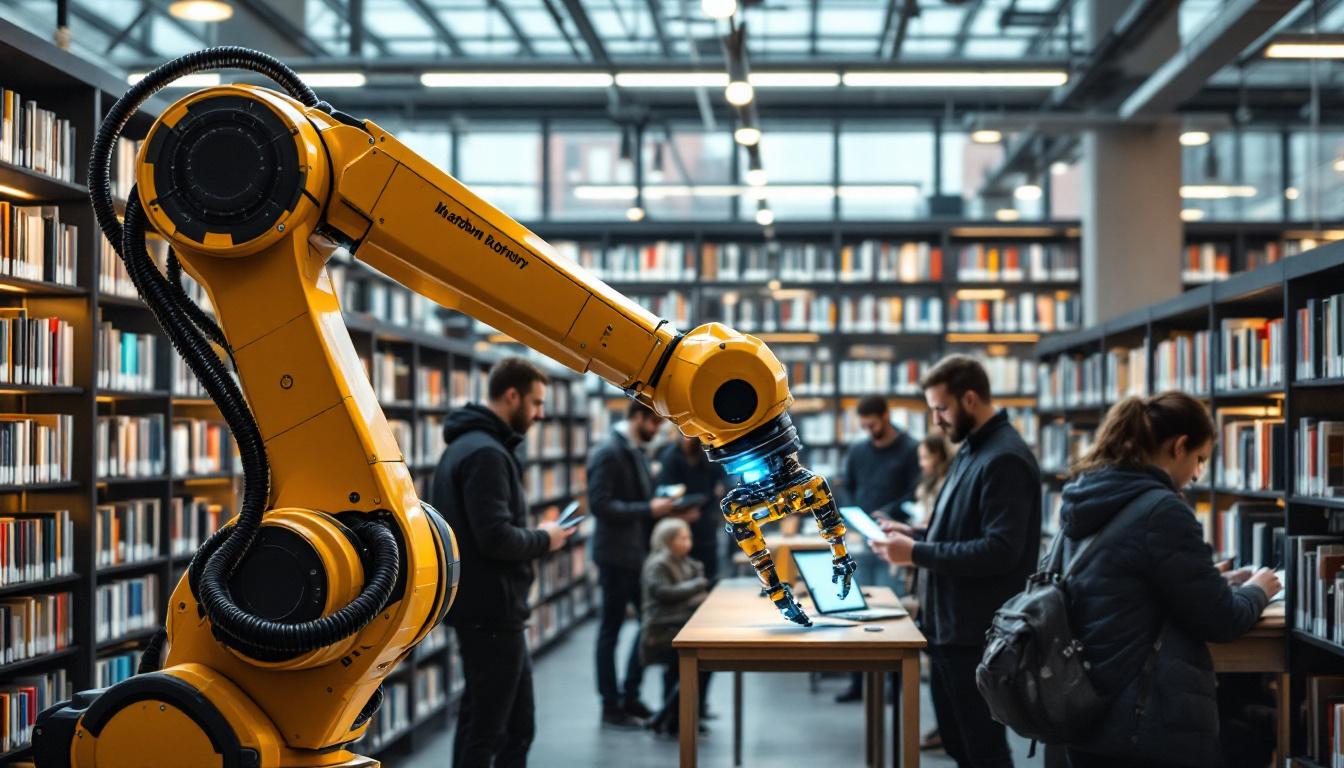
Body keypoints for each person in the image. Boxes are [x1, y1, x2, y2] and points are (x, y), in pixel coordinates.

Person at [1050, 393, 1280, 768]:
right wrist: (1259, 589)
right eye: (1199, 460)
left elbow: (1121, 581)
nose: (1195, 475)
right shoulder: (1161, 509)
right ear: (1179, 447)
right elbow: (1222, 619)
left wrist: (1208, 576)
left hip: (1085, 703)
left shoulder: (1086, 497)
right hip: (1142, 717)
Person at [870, 354, 1041, 768]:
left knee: (982, 749)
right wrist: (914, 534)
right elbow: (963, 531)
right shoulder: (971, 450)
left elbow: (1000, 550)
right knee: (958, 743)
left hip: (976, 632)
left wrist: (916, 553)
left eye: (941, 409)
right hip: (949, 627)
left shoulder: (1005, 458)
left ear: (969, 399)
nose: (937, 421)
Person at [434, 357, 575, 768]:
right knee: (491, 730)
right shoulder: (486, 455)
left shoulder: (465, 446)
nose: (541, 414)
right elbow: (495, 537)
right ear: (511, 395)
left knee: (504, 724)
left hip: (486, 607)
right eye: (535, 403)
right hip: (492, 610)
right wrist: (546, 538)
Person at [589, 399, 677, 729]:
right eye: (653, 423)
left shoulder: (634, 449)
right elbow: (600, 505)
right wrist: (648, 510)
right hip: (615, 557)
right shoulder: (609, 452)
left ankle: (629, 696)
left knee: (646, 625)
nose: (656, 431)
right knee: (610, 631)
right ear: (638, 417)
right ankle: (611, 704)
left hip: (635, 554)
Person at [835, 394, 923, 703]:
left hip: (892, 540)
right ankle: (858, 684)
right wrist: (851, 514)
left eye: (872, 423)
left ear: (885, 416)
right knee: (855, 608)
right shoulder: (859, 450)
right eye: (864, 425)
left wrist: (888, 513)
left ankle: (894, 687)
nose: (868, 430)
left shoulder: (911, 449)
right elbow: (847, 486)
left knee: (891, 611)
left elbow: (916, 491)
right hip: (861, 538)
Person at [639, 517, 711, 738]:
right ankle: (673, 716)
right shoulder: (658, 563)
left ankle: (679, 715)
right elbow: (664, 594)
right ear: (668, 540)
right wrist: (696, 586)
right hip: (662, 629)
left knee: (702, 662)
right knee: (700, 660)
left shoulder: (683, 560)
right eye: (683, 537)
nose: (689, 542)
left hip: (678, 622)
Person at [654, 433, 731, 582]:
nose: (688, 440)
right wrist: (680, 514)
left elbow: (723, 479)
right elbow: (662, 494)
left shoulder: (707, 454)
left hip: (706, 522)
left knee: (709, 572)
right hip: (679, 524)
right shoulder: (670, 457)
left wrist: (720, 490)